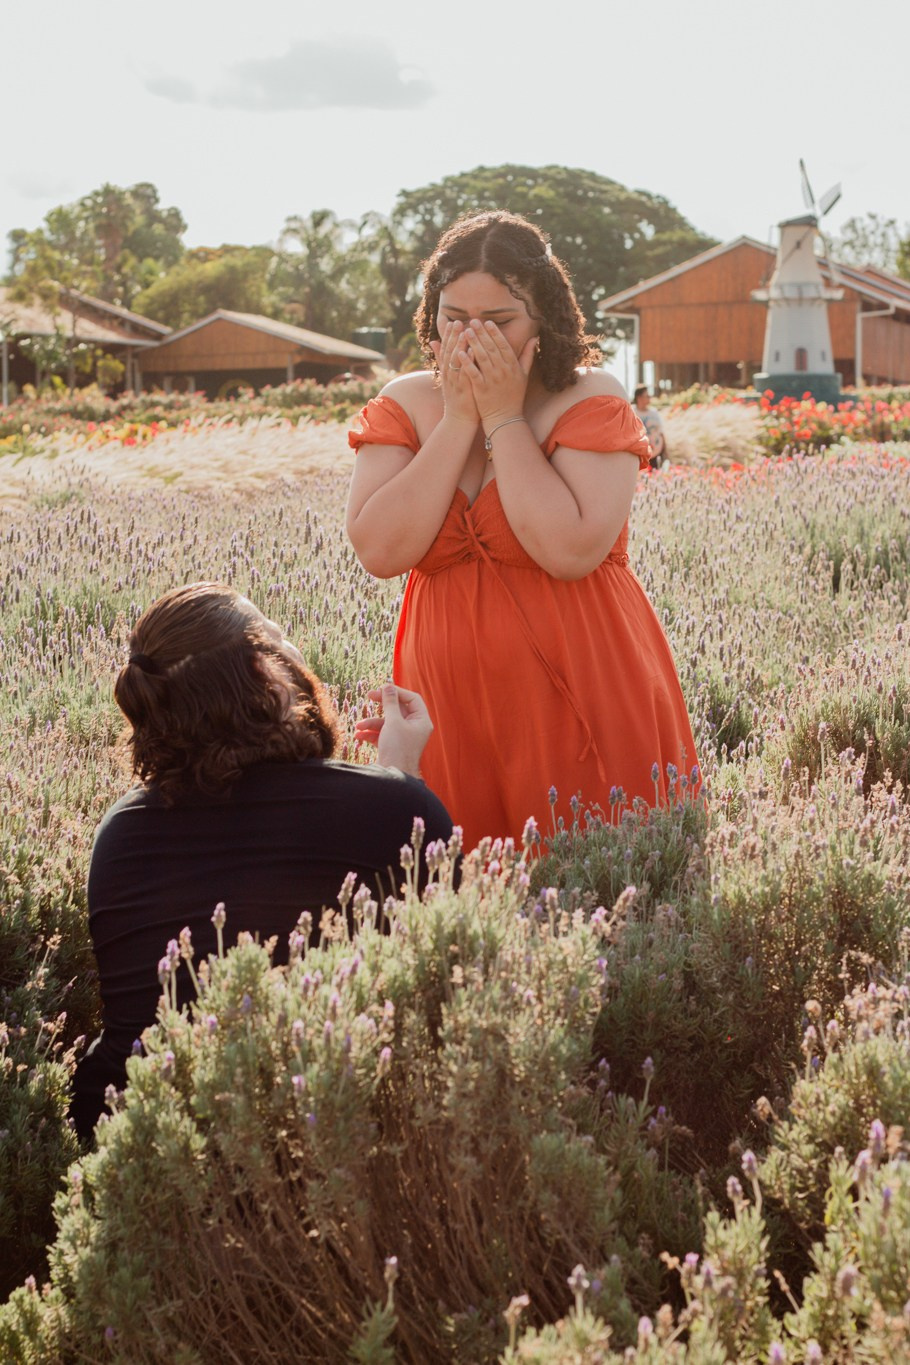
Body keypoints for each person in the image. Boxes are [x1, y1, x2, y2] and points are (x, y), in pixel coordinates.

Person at [346, 211, 698, 851]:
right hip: (446, 706)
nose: (473, 336)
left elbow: (570, 550)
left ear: (545, 317)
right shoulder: (407, 402)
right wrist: (459, 421)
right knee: (458, 884)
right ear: (431, 315)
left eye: (500, 320)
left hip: (582, 691)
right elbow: (379, 549)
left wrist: (504, 417)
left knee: (598, 878)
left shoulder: (589, 396)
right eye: (454, 317)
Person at [70, 582, 452, 1141]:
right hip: (325, 1139)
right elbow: (440, 977)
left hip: (146, 1142)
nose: (295, 648)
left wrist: (393, 782)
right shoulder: (396, 810)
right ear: (264, 674)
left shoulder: (120, 835)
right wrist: (403, 779)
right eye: (278, 637)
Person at [633, 383, 667, 470]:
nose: (649, 398)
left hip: (655, 453)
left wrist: (664, 449)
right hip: (638, 455)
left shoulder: (654, 412)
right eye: (647, 396)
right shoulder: (632, 412)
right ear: (639, 398)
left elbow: (661, 432)